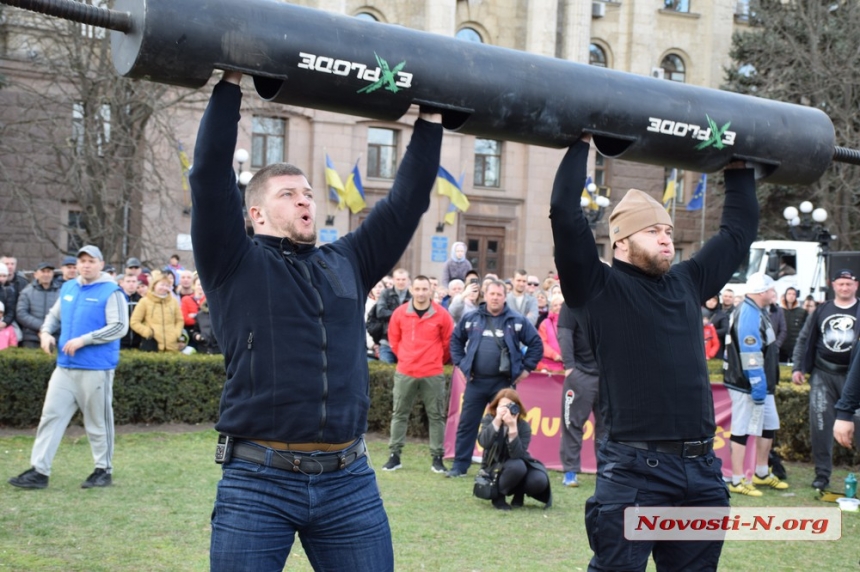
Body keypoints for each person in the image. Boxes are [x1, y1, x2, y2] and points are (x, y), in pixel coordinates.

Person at [190, 70, 443, 571]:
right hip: (258, 479)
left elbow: (405, 203)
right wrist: (231, 83)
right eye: (288, 194)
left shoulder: (345, 260)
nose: (305, 199)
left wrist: (431, 119)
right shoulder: (232, 261)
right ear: (256, 214)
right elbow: (208, 176)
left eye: (307, 192)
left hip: (348, 480)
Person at [549, 134, 758, 571]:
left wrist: (739, 169)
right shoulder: (596, 287)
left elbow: (737, 234)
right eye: (652, 231)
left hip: (701, 472)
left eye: (667, 231)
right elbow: (566, 219)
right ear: (620, 242)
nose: (665, 239)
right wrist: (580, 143)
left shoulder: (687, 281)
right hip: (635, 473)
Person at [7, 245, 128, 490]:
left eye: (91, 261)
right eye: (82, 260)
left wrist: (85, 340)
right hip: (64, 366)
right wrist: (45, 333)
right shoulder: (69, 287)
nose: (85, 265)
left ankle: (103, 469)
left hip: (95, 368)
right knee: (50, 417)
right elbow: (53, 316)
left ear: (101, 264)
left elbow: (119, 327)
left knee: (98, 421)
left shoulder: (111, 291)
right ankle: (39, 471)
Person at [447, 279, 543, 478]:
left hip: (504, 385)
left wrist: (526, 369)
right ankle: (460, 466)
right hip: (475, 381)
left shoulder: (517, 320)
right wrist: (463, 365)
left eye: (499, 294)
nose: (495, 298)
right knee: (467, 424)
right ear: (485, 295)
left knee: (502, 425)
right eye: (492, 294)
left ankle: (494, 466)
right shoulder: (472, 318)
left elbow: (536, 344)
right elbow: (456, 340)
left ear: (504, 296)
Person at [791, 268, 860, 490]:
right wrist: (798, 367)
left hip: (853, 375)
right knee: (820, 424)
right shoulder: (822, 310)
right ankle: (822, 474)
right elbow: (804, 339)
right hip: (823, 374)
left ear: (856, 286)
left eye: (849, 284)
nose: (845, 287)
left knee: (856, 422)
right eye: (840, 283)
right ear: (833, 285)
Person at [723, 273, 788, 496]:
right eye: (771, 290)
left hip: (760, 383)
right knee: (741, 429)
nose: (774, 294)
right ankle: (737, 479)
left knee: (769, 425)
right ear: (762, 291)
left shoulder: (756, 310)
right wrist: (757, 385)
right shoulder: (749, 314)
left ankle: (761, 472)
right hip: (747, 384)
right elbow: (750, 354)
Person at [381, 275, 453, 474]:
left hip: (433, 372)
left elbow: (448, 344)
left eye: (425, 289)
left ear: (431, 290)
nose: (421, 293)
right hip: (406, 371)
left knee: (436, 416)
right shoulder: (400, 313)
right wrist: (406, 358)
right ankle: (394, 456)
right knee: (399, 414)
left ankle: (437, 458)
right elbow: (394, 341)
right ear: (412, 290)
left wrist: (435, 359)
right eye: (418, 289)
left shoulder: (442, 314)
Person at [476, 388, 551, 510]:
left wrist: (512, 427)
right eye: (502, 406)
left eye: (509, 406)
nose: (505, 410)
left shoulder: (523, 426)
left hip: (517, 462)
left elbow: (517, 455)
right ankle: (499, 497)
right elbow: (484, 442)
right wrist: (497, 421)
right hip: (494, 465)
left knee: (539, 480)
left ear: (517, 408)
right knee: (517, 466)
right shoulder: (490, 419)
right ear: (496, 407)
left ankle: (519, 493)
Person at [557, 303, 605, 488]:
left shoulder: (610, 300)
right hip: (581, 375)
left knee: (607, 429)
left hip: (607, 377)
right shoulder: (572, 302)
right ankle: (570, 472)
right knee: (572, 424)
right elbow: (565, 332)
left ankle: (605, 472)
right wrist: (569, 366)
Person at [130, 271, 185, 353]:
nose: (164, 288)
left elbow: (179, 320)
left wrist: (176, 333)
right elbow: (134, 322)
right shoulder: (144, 301)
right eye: (162, 285)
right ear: (154, 285)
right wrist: (147, 332)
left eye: (167, 285)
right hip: (152, 346)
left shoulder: (173, 302)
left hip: (172, 347)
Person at [369, 268, 412, 364]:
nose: (400, 282)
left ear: (408, 280)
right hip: (386, 341)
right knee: (385, 373)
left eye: (403, 279)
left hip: (406, 343)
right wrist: (401, 315)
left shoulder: (412, 296)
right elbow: (380, 312)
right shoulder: (386, 293)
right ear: (393, 280)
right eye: (398, 279)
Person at [16, 262, 61, 349]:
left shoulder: (60, 293)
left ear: (53, 274)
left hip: (54, 337)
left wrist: (50, 328)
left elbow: (65, 314)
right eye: (43, 271)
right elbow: (21, 314)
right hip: (31, 338)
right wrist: (44, 327)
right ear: (35, 274)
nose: (46, 274)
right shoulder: (26, 292)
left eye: (49, 271)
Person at [536, 294, 565, 372]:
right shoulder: (544, 323)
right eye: (555, 305)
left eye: (561, 305)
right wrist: (554, 355)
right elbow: (542, 343)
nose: (559, 307)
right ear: (551, 308)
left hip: (568, 365)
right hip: (548, 365)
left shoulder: (571, 323)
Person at [780, 286, 807, 364]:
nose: (791, 296)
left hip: (795, 346)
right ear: (785, 295)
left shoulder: (802, 312)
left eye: (793, 294)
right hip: (782, 346)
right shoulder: (780, 311)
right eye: (789, 294)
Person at [117, 273, 142, 350]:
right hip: (120, 342)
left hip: (138, 342)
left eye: (134, 281)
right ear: (122, 283)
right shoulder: (117, 299)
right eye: (128, 281)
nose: (131, 284)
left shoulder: (141, 300)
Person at [703, 295, 728, 359]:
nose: (711, 302)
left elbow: (725, 329)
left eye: (714, 301)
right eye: (709, 300)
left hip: (716, 347)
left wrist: (710, 333)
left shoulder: (721, 315)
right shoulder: (699, 311)